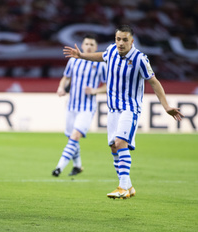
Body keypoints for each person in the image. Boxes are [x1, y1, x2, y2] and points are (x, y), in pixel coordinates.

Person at [63, 25, 183, 199]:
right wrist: (81, 55)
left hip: (130, 108)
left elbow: (154, 82)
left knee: (120, 142)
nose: (120, 43)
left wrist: (166, 106)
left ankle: (122, 187)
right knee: (113, 146)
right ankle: (128, 186)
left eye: (124, 40)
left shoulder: (140, 59)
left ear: (132, 41)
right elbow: (101, 56)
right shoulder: (111, 51)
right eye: (118, 39)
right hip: (113, 109)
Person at [52, 34, 107, 177]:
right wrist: (61, 87)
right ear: (82, 46)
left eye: (91, 45)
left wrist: (95, 90)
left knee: (75, 136)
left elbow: (108, 85)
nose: (88, 47)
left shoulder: (100, 64)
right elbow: (66, 77)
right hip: (71, 105)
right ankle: (77, 166)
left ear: (96, 48)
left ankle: (59, 167)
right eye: (86, 44)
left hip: (87, 107)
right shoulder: (73, 61)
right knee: (72, 137)